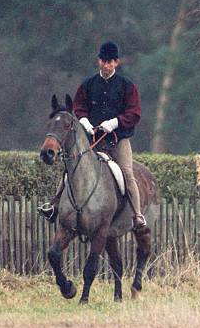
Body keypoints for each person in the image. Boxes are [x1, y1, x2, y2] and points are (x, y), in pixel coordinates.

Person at [38, 41, 147, 230]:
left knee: (127, 174)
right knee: (71, 169)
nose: (106, 65)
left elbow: (134, 113)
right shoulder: (88, 85)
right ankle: (54, 206)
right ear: (99, 61)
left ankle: (137, 215)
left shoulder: (127, 86)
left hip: (117, 140)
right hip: (92, 138)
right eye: (103, 61)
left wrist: (114, 123)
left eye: (110, 62)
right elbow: (79, 107)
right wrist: (86, 122)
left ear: (116, 63)